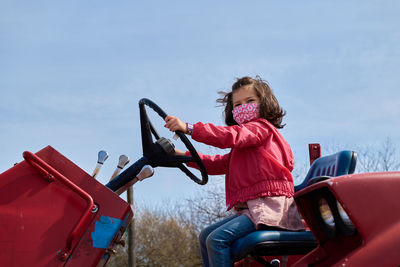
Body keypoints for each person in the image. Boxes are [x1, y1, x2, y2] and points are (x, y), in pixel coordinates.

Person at [164, 76, 304, 267]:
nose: (243, 107)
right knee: (206, 236)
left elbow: (230, 135)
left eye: (250, 101)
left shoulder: (260, 129)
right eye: (237, 104)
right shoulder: (245, 147)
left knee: (217, 240)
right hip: (254, 208)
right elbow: (218, 164)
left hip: (269, 207)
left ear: (264, 103)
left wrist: (189, 128)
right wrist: (181, 155)